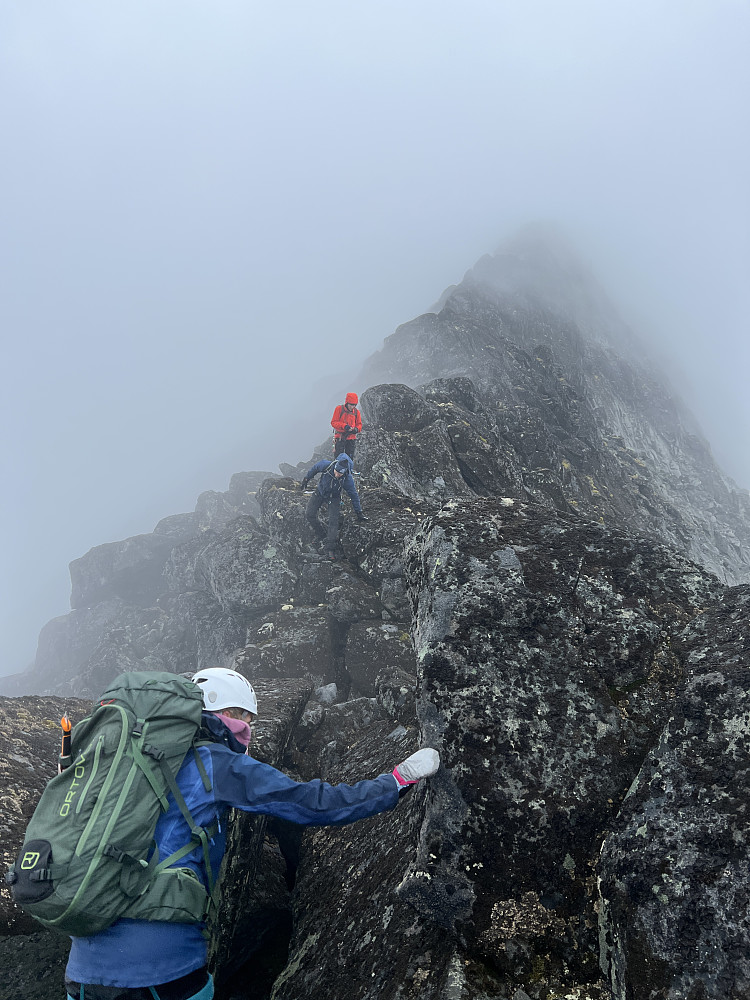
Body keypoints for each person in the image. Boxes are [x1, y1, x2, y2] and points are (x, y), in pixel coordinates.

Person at [64, 666, 440, 1000]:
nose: (245, 726)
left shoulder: (120, 765)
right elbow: (314, 803)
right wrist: (394, 781)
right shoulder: (216, 763)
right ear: (210, 713)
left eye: (248, 717)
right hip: (162, 969)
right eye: (236, 714)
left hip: (81, 968)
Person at [300, 452, 367, 561]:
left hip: (334, 497)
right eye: (336, 472)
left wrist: (359, 512)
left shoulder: (347, 479)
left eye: (339, 474)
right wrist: (306, 479)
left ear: (344, 472)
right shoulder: (327, 465)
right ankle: (321, 534)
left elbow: (354, 495)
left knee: (333, 521)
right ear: (335, 467)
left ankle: (329, 548)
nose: (337, 475)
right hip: (320, 492)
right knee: (309, 514)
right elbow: (315, 468)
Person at [330, 392, 362, 459]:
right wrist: (344, 426)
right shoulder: (339, 409)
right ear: (347, 403)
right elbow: (333, 422)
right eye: (351, 405)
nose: (352, 407)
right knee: (338, 459)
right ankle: (337, 469)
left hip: (351, 438)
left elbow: (359, 425)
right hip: (340, 437)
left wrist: (356, 429)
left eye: (354, 405)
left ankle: (348, 469)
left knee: (349, 459)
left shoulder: (356, 412)